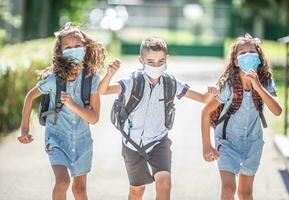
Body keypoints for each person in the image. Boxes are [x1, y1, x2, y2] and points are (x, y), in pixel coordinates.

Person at [99, 36, 218, 200]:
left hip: (158, 141)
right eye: (150, 62)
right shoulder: (133, 82)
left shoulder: (171, 83)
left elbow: (203, 99)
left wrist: (212, 93)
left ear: (166, 59)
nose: (156, 66)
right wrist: (109, 75)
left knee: (164, 182)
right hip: (132, 143)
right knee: (137, 190)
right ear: (141, 60)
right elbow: (103, 91)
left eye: (161, 61)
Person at [17, 22, 105, 200]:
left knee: (79, 190)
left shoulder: (92, 79)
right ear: (60, 51)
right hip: (56, 138)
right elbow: (30, 97)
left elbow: (94, 118)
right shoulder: (53, 80)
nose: (73, 50)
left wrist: (73, 105)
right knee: (63, 182)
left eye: (78, 46)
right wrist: (24, 128)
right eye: (68, 47)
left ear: (85, 48)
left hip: (83, 142)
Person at [201, 34, 282, 200]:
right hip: (227, 142)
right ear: (236, 61)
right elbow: (206, 112)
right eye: (242, 53)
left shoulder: (266, 80)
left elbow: (277, 110)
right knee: (228, 190)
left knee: (245, 194)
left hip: (253, 143)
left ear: (258, 57)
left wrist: (258, 86)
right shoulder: (229, 84)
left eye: (252, 51)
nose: (248, 55)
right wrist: (207, 145)